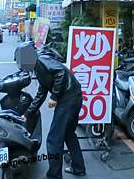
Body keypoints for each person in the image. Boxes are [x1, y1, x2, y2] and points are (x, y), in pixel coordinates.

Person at [21, 44, 86, 178]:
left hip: (67, 99)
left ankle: (54, 176)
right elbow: (41, 92)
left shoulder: (40, 60)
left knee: (53, 139)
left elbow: (60, 72)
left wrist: (54, 96)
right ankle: (78, 168)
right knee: (69, 134)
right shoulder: (39, 66)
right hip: (74, 97)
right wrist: (27, 114)